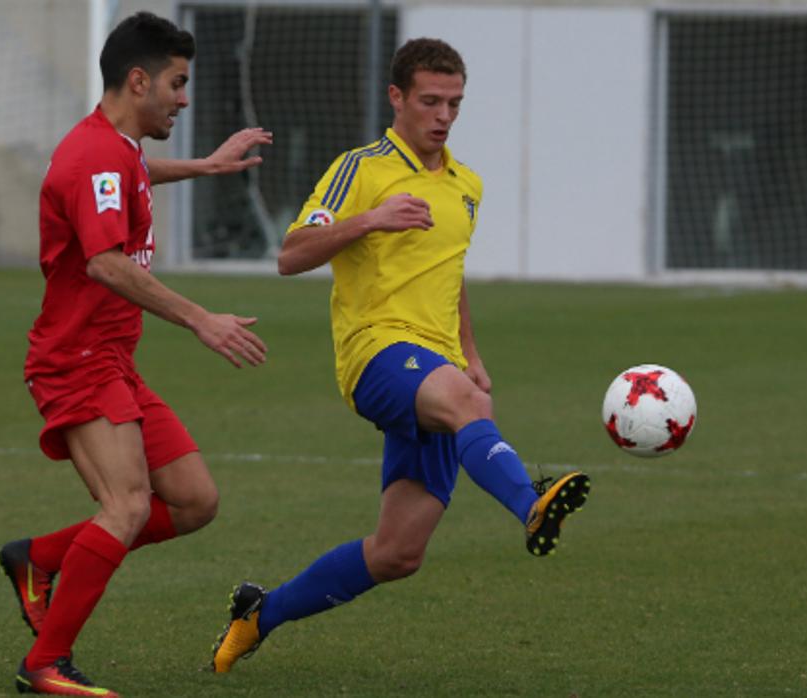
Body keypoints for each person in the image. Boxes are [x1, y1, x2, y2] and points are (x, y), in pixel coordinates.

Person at [209, 38, 590, 673]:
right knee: (472, 405)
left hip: (436, 365)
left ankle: (258, 614)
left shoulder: (467, 185)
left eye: (455, 103)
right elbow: (291, 254)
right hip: (376, 352)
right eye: (430, 101)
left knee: (396, 554)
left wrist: (469, 351)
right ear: (397, 98)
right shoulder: (362, 168)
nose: (443, 115)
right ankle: (531, 504)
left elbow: (449, 270)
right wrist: (369, 220)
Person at [0, 12, 272, 697]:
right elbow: (106, 264)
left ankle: (40, 558)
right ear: (139, 79)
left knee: (194, 501)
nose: (184, 97)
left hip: (112, 359)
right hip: (76, 360)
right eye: (177, 84)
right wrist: (199, 318)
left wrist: (206, 165)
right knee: (124, 505)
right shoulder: (93, 157)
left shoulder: (115, 150)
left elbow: (135, 174)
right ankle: (46, 664)